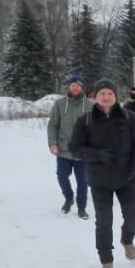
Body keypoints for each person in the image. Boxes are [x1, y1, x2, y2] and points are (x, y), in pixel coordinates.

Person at [69, 79, 135, 268]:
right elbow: (75, 148)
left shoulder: (130, 118)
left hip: (126, 177)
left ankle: (127, 239)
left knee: (133, 217)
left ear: (115, 96)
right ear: (95, 97)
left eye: (109, 93)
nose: (106, 97)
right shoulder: (85, 120)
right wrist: (97, 155)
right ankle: (106, 261)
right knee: (104, 221)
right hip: (99, 180)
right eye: (102, 93)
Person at [47, 74, 94, 218]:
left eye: (78, 86)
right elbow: (53, 125)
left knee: (83, 181)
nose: (75, 88)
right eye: (73, 85)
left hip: (82, 150)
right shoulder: (60, 104)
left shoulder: (90, 105)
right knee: (61, 176)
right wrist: (52, 143)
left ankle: (81, 208)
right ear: (69, 87)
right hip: (63, 149)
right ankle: (68, 197)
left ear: (82, 88)